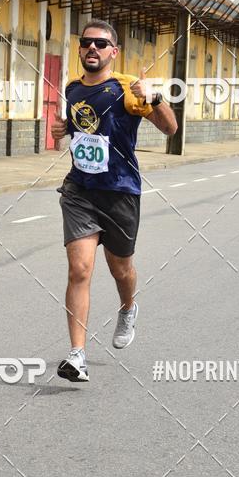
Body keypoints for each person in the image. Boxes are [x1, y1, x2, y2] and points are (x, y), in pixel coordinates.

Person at [51, 19, 178, 382]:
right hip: (79, 191)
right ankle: (77, 355)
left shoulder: (127, 88)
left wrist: (154, 97)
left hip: (120, 191)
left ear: (114, 52)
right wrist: (63, 129)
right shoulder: (73, 89)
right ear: (80, 49)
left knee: (120, 269)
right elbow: (83, 126)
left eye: (101, 44)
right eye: (87, 42)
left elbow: (170, 128)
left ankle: (127, 307)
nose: (93, 48)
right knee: (79, 270)